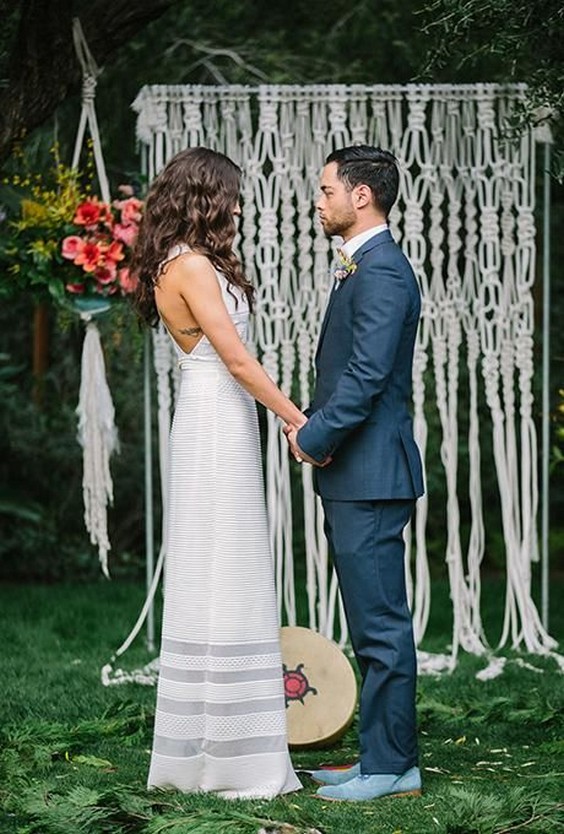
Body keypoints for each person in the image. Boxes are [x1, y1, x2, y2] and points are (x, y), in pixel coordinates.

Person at [131, 147, 304, 799]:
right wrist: (295, 419)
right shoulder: (192, 266)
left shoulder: (177, 262)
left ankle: (221, 738)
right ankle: (229, 752)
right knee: (223, 561)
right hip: (214, 416)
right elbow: (234, 359)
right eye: (230, 196)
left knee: (225, 563)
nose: (237, 207)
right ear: (205, 197)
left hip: (214, 416)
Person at [285, 145, 425, 802]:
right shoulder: (363, 268)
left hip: (369, 475)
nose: (318, 202)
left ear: (360, 195)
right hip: (360, 476)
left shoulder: (382, 274)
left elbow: (367, 378)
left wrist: (313, 437)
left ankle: (390, 769)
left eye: (325, 191)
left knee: (381, 628)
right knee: (373, 625)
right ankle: (382, 759)